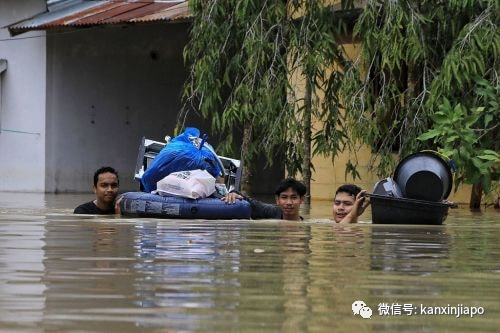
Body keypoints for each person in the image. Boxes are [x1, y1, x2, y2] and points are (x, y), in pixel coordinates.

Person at [222, 178, 306, 221]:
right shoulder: (271, 212)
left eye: (294, 197)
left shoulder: (306, 227)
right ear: (277, 200)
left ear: (302, 199)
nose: (289, 202)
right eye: (284, 197)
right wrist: (234, 193)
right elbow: (252, 204)